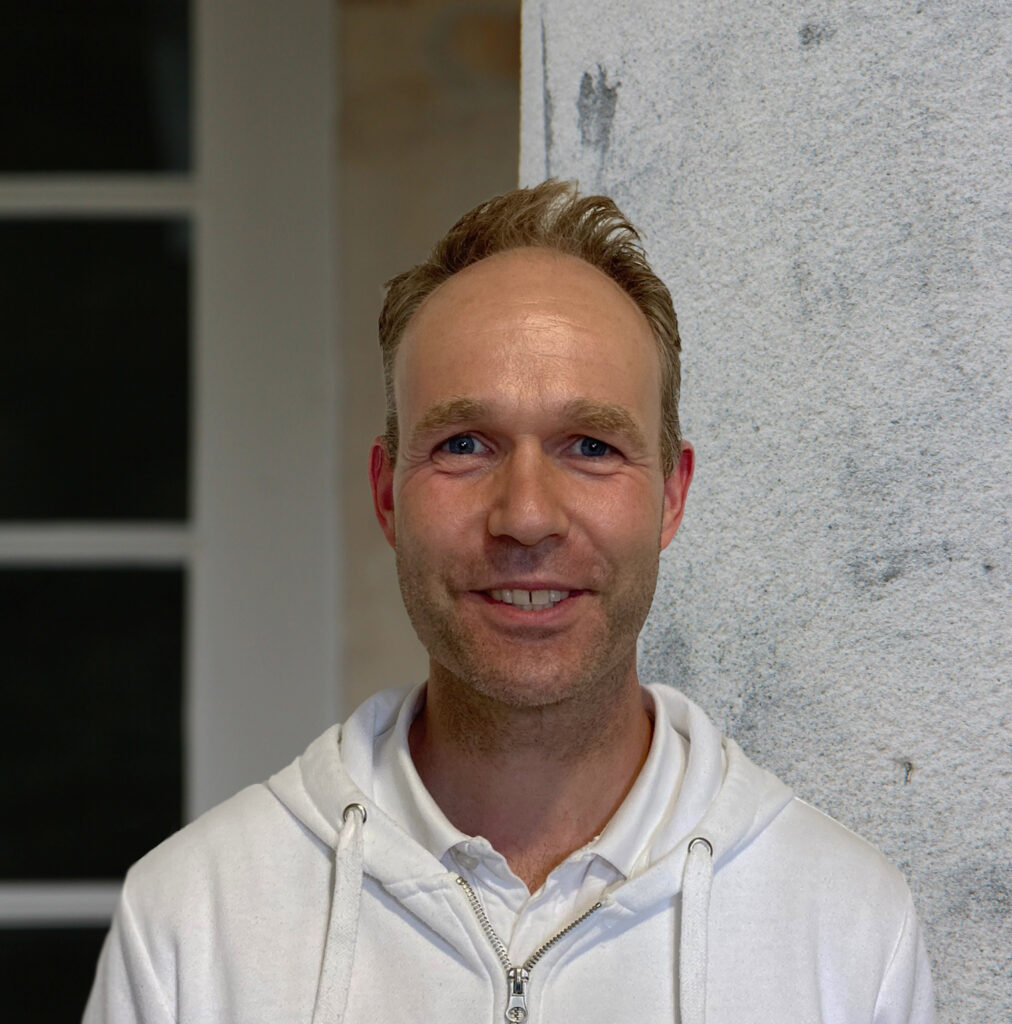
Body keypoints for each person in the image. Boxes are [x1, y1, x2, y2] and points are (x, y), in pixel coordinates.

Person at [84, 180, 934, 1023]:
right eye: (464, 444)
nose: (526, 515)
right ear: (386, 494)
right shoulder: (193, 925)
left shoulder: (849, 931)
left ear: (672, 496)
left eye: (591, 447)